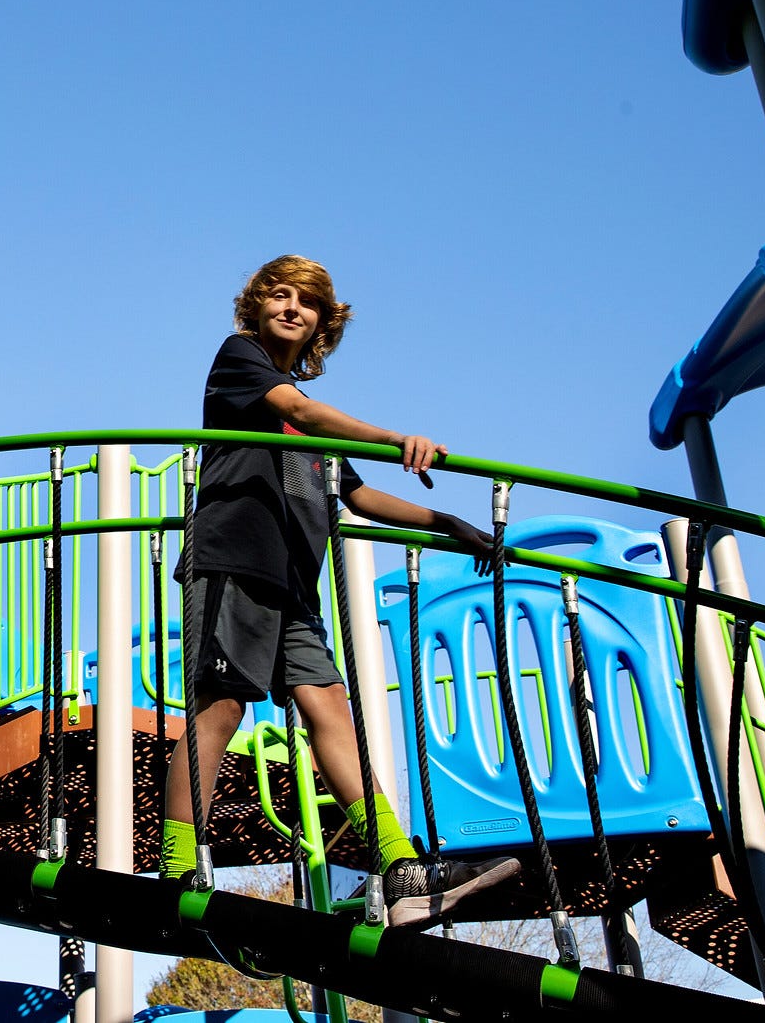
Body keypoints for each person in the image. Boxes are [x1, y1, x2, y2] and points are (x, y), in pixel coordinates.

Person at [162, 254, 518, 929]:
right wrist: (395, 438)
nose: (293, 308)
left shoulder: (310, 425)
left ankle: (399, 863)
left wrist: (445, 521)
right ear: (258, 303)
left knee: (329, 702)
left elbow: (355, 493)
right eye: (281, 294)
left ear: (324, 323)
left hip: (295, 578)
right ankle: (179, 866)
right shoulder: (241, 361)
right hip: (236, 557)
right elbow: (296, 405)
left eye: (309, 302)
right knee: (221, 708)